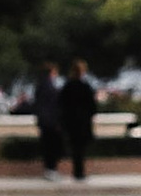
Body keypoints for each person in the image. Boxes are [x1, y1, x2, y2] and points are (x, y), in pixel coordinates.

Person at [59, 55, 99, 185]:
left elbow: (62, 104)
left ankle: (77, 171)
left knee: (75, 147)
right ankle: (79, 172)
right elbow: (92, 106)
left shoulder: (67, 86)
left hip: (71, 122)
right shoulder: (85, 86)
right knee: (81, 148)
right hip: (82, 122)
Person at [34, 55, 67, 177]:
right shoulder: (47, 86)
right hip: (50, 121)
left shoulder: (42, 85)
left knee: (50, 145)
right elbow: (51, 105)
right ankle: (50, 169)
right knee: (51, 146)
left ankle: (51, 169)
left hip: (46, 120)